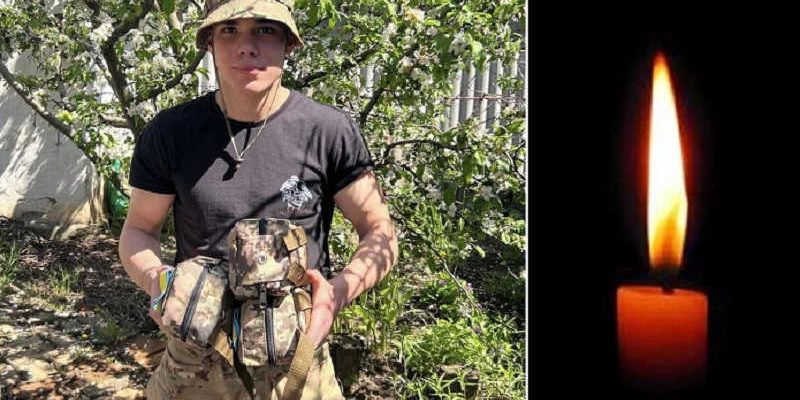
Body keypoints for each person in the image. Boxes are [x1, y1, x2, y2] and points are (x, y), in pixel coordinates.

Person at [117, 0, 398, 398]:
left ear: (288, 43)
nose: (246, 47)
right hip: (194, 364)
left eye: (264, 29)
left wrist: (336, 295)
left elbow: (379, 231)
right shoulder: (171, 132)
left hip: (297, 361)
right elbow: (138, 230)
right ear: (209, 42)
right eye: (229, 30)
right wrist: (158, 281)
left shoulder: (327, 131)